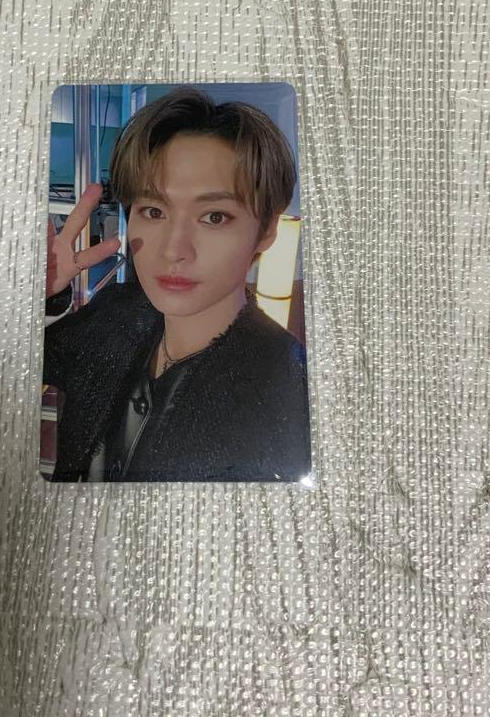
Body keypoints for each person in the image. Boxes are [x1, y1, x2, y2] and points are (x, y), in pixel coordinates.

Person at [42, 86, 311, 482]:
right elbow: (24, 362)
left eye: (214, 217)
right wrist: (41, 297)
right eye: (153, 211)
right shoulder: (118, 309)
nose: (173, 249)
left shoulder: (288, 390)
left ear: (267, 230)